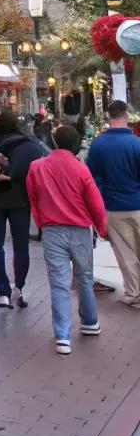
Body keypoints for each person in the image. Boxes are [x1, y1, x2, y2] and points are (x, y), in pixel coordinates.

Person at [26, 124, 107, 354]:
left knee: (59, 283)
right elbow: (95, 203)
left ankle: (62, 336)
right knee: (84, 277)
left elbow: (33, 197)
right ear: (76, 145)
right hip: (80, 229)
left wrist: (41, 222)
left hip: (52, 230)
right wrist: (102, 228)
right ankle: (89, 322)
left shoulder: (37, 167)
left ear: (54, 142)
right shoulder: (81, 169)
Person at [0, 109, 46, 308]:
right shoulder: (27, 144)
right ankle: (19, 286)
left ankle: (2, 291)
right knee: (21, 244)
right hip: (19, 199)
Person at [87, 100, 140, 307]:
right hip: (137, 204)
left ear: (109, 116)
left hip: (113, 206)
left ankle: (134, 294)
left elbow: (92, 177)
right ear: (126, 115)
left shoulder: (98, 144)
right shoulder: (136, 143)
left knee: (126, 255)